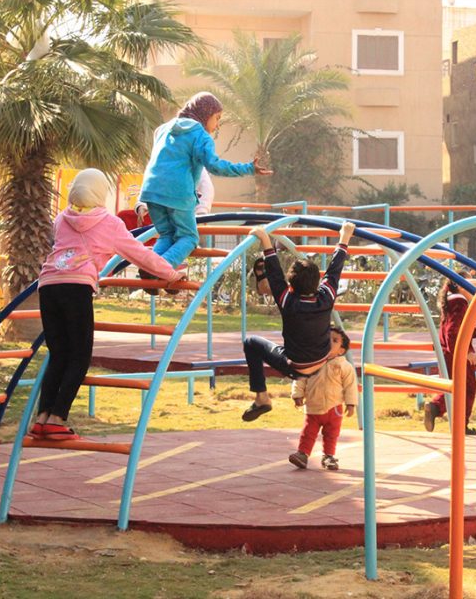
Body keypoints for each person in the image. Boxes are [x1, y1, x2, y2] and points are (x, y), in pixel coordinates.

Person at [28, 169, 186, 441]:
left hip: (48, 284)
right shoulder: (109, 222)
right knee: (80, 355)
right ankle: (57, 419)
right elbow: (141, 255)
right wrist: (171, 274)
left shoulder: (61, 218)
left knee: (58, 354)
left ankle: (42, 419)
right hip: (76, 286)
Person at [138, 92, 272, 273]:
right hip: (177, 194)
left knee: (167, 235)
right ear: (206, 114)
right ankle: (159, 269)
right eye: (217, 118)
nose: (217, 125)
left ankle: (149, 269)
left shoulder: (163, 129)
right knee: (189, 238)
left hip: (151, 192)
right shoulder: (199, 135)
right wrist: (248, 168)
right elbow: (215, 166)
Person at [241, 221, 356, 422]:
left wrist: (266, 239)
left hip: (294, 366)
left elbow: (276, 275)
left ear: (291, 287)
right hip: (321, 361)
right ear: (317, 283)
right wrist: (345, 236)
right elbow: (334, 270)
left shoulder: (289, 301)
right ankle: (262, 283)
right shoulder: (324, 298)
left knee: (251, 343)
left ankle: (262, 397)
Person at [423, 273, 476, 436]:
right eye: (470, 284)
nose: (473, 288)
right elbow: (453, 333)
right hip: (456, 353)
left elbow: (457, 329)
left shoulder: (451, 301)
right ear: (460, 286)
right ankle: (446, 415)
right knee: (467, 389)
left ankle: (438, 409)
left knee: (455, 387)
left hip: (447, 352)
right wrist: (466, 352)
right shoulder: (459, 301)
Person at [288, 326, 358, 470]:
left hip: (334, 408)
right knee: (308, 432)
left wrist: (351, 404)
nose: (329, 342)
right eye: (326, 339)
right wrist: (297, 394)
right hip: (313, 406)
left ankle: (329, 456)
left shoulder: (344, 366)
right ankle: (302, 454)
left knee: (331, 434)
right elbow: (300, 378)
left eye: (335, 340)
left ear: (341, 350)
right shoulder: (311, 362)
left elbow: (350, 386)